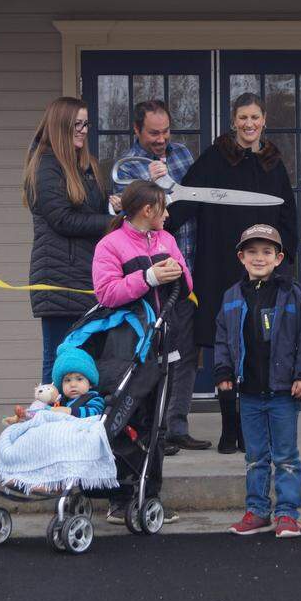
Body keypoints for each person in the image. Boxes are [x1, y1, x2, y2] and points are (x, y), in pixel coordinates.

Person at [166, 93, 297, 454]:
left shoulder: (274, 164)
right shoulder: (214, 157)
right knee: (224, 345)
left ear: (264, 120)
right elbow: (184, 200)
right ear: (234, 120)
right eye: (242, 117)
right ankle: (228, 429)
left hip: (262, 268)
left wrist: (285, 263)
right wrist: (156, 223)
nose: (249, 124)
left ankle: (252, 427)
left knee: (258, 344)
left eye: (254, 117)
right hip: (219, 267)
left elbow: (288, 217)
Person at [91, 180, 193, 525]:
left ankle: (149, 497)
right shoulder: (110, 245)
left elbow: (187, 281)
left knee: (158, 425)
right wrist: (148, 276)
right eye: (163, 208)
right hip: (128, 347)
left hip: (166, 341)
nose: (167, 214)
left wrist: (178, 272)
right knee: (124, 419)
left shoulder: (167, 240)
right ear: (147, 211)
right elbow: (106, 294)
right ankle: (119, 499)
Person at [113, 100, 209, 451]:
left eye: (166, 130)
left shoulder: (183, 155)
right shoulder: (125, 166)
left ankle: (177, 426)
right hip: (147, 281)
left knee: (186, 352)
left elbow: (196, 202)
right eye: (153, 132)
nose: (161, 138)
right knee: (151, 355)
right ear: (137, 130)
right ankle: (151, 431)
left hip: (186, 272)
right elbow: (131, 211)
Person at [216, 224, 301, 539]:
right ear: (241, 257)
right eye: (252, 252)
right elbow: (222, 337)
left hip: (283, 391)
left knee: (285, 455)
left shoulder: (292, 294)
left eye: (267, 252)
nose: (259, 258)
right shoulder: (232, 296)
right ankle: (257, 510)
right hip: (248, 392)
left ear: (278, 258)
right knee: (255, 456)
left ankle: (287, 513)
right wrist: (222, 371)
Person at [23, 96, 109, 385]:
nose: (84, 130)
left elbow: (92, 211)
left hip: (88, 279)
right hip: (59, 280)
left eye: (86, 123)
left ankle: (82, 424)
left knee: (87, 360)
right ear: (60, 126)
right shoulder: (46, 166)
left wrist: (114, 206)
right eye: (77, 124)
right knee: (59, 358)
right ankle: (50, 423)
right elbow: (63, 219)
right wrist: (114, 223)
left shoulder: (87, 166)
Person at [53, 347, 105, 419]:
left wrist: (69, 411)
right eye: (67, 380)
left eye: (79, 379)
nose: (73, 385)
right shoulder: (61, 401)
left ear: (90, 383)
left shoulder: (94, 398)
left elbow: (95, 412)